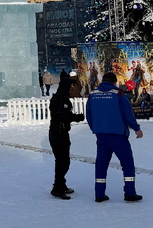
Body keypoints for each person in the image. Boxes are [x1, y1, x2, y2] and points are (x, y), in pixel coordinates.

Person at [86, 72, 143, 203]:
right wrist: (136, 128)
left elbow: (88, 115)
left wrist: (95, 128)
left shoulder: (93, 95)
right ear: (114, 82)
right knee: (127, 163)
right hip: (118, 135)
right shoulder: (118, 94)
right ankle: (130, 192)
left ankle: (99, 194)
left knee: (101, 164)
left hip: (101, 136)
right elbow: (128, 113)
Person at [48, 73, 84, 199]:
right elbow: (63, 115)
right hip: (58, 133)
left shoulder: (60, 98)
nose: (72, 89)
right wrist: (77, 117)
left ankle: (61, 185)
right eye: (71, 87)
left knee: (63, 160)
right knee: (62, 161)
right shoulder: (61, 99)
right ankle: (57, 188)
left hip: (59, 132)